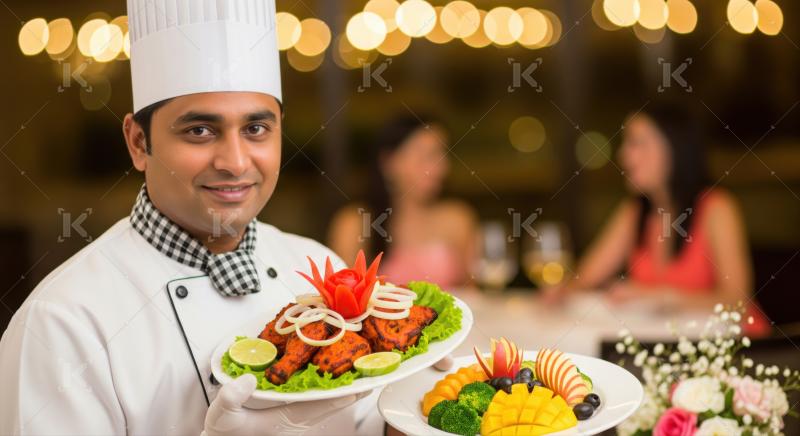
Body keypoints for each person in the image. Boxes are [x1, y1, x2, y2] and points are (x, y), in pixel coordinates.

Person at [0, 1, 451, 433]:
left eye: (256, 129)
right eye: (199, 130)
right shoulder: (61, 322)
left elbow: (367, 424)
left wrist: (419, 406)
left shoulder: (323, 271)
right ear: (138, 142)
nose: (235, 162)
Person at [558, 103, 756, 313]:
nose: (623, 155)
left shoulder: (717, 208)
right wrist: (561, 290)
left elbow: (737, 302)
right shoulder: (634, 211)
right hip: (665, 340)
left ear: (674, 148)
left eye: (636, 143)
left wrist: (659, 297)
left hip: (738, 343)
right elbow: (585, 277)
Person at [328, 114, 478, 289]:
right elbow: (343, 299)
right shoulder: (354, 223)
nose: (440, 167)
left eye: (442, 155)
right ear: (388, 162)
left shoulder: (458, 218)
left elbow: (474, 296)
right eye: (426, 156)